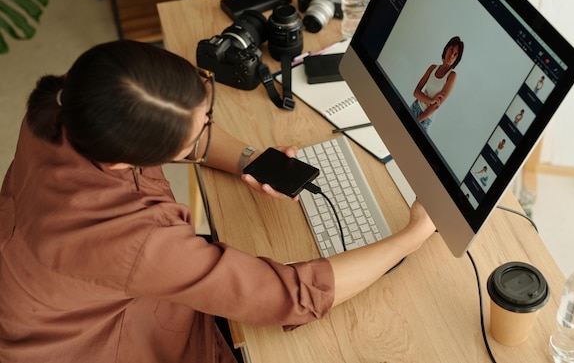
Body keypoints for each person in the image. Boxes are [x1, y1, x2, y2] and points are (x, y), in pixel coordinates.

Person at [0, 40, 436, 363]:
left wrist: (249, 160)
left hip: (33, 282)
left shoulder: (71, 107)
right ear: (127, 161)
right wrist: (411, 237)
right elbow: (288, 295)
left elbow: (181, 132)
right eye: (195, 135)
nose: (206, 131)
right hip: (80, 342)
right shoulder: (135, 244)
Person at [411, 36, 464, 132]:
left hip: (425, 119)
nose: (451, 55)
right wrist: (431, 100)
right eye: (451, 50)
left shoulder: (452, 76)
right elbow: (416, 92)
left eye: (455, 54)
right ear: (446, 49)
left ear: (457, 59)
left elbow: (436, 105)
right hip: (414, 107)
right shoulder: (432, 68)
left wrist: (417, 121)